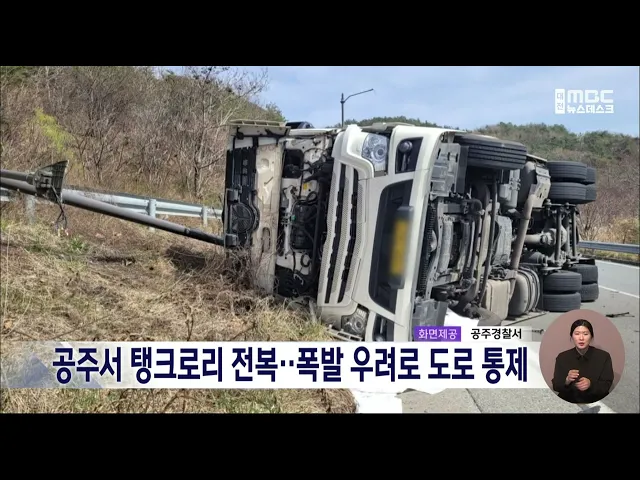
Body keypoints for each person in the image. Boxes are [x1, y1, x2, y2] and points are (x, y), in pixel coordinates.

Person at [551, 319, 615, 404]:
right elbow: (556, 386)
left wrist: (590, 385)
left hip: (595, 402)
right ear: (571, 336)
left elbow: (607, 385)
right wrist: (567, 380)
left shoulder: (603, 356)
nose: (581, 338)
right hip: (569, 402)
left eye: (585, 334)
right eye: (577, 334)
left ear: (591, 336)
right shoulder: (562, 357)